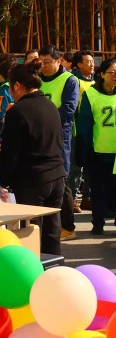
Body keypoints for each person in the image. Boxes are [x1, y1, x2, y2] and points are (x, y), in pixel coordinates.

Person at [0, 60, 65, 256]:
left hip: (32, 180)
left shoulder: (18, 111)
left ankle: (34, 272)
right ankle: (55, 268)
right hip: (57, 176)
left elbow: (10, 154)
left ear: (17, 85)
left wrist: (1, 181)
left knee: (31, 233)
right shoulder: (51, 105)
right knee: (52, 231)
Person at [38, 45, 80, 241]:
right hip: (39, 135)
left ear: (58, 60)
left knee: (61, 180)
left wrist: (44, 118)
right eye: (41, 62)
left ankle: (68, 226)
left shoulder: (69, 80)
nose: (43, 66)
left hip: (60, 136)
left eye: (47, 62)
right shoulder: (37, 79)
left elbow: (69, 108)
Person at [76, 58, 116, 236]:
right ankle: (98, 223)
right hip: (99, 151)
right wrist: (83, 152)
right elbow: (84, 125)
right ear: (102, 74)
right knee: (98, 190)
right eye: (112, 72)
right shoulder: (91, 94)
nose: (115, 76)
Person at [70, 49, 95, 212]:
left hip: (94, 131)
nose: (92, 64)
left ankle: (87, 198)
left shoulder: (96, 82)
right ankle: (72, 199)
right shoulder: (74, 81)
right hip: (77, 131)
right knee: (75, 167)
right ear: (79, 64)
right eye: (88, 62)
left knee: (91, 167)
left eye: (92, 61)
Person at [0, 58, 18, 144]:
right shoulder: (19, 87)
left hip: (2, 135)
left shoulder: (4, 89)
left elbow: (1, 114)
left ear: (1, 76)